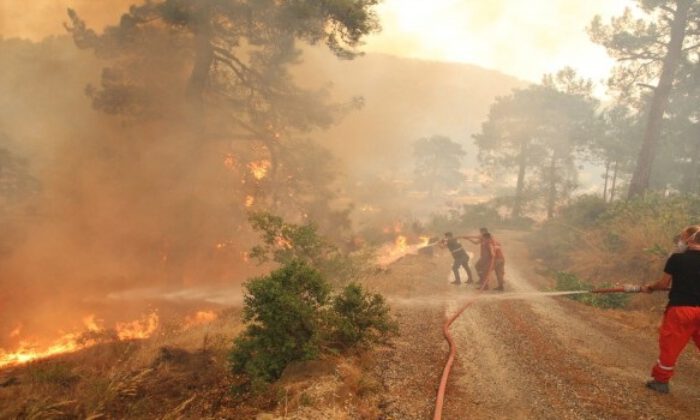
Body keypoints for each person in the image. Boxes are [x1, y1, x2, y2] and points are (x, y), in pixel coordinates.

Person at [641, 225, 700, 394]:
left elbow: (663, 284)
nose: (680, 241)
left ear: (690, 239)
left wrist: (651, 287)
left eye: (682, 237)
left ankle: (661, 381)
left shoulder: (677, 259)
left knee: (670, 346)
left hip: (681, 310)